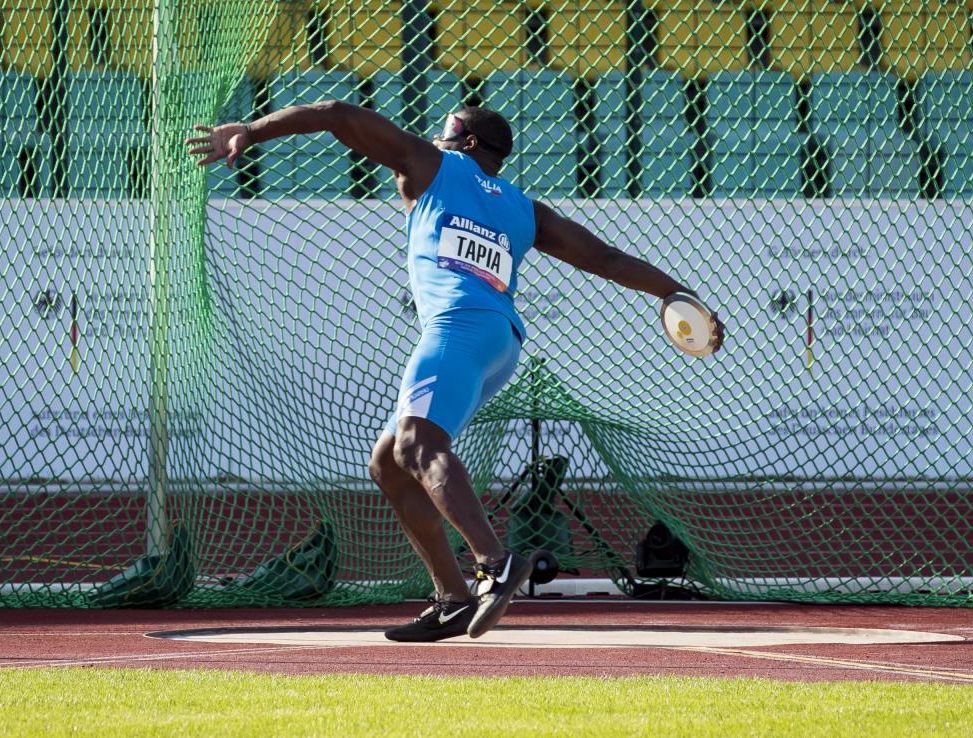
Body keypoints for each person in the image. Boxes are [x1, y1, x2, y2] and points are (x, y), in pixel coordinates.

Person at [187, 100, 723, 642]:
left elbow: (336, 113)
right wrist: (678, 296)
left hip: (456, 329)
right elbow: (605, 259)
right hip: (500, 342)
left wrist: (251, 131)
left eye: (444, 131)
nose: (433, 138)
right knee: (389, 464)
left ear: (465, 142)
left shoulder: (431, 165)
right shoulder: (523, 208)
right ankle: (452, 600)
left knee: (415, 444)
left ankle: (495, 563)